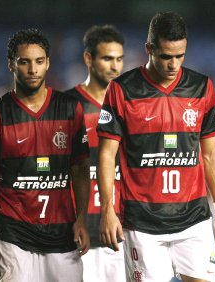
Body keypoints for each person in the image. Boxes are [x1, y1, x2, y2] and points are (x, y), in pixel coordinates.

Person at [96, 11, 215, 282]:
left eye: (180, 56)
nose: (174, 64)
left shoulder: (201, 87)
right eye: (166, 56)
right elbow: (106, 154)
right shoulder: (122, 90)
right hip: (142, 224)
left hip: (194, 220)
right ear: (149, 48)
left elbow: (210, 153)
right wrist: (107, 210)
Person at [0, 28, 91, 282]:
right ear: (11, 65)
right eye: (24, 62)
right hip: (13, 234)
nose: (32, 69)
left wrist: (82, 218)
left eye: (39, 61)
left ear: (48, 63)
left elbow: (81, 169)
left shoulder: (69, 109)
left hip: (63, 233)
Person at [65, 24, 125, 282]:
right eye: (107, 58)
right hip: (79, 234)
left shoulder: (131, 105)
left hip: (121, 231)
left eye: (119, 59)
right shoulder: (67, 107)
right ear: (88, 58)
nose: (115, 67)